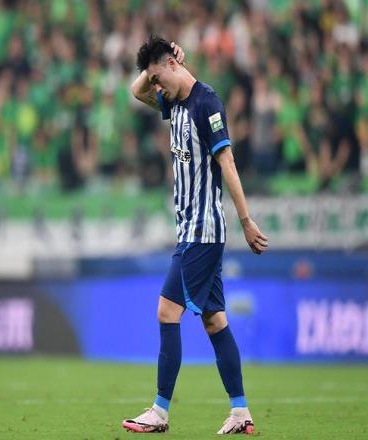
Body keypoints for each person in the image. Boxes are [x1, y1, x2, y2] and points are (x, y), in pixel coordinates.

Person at [122, 35, 268, 435]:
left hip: (202, 231)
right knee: (215, 321)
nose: (155, 87)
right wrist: (153, 70)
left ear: (173, 64)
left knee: (167, 312)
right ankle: (240, 412)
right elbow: (135, 91)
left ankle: (159, 412)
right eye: (153, 80)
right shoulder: (172, 103)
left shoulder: (206, 103)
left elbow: (228, 163)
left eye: (158, 77)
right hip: (191, 229)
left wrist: (246, 219)